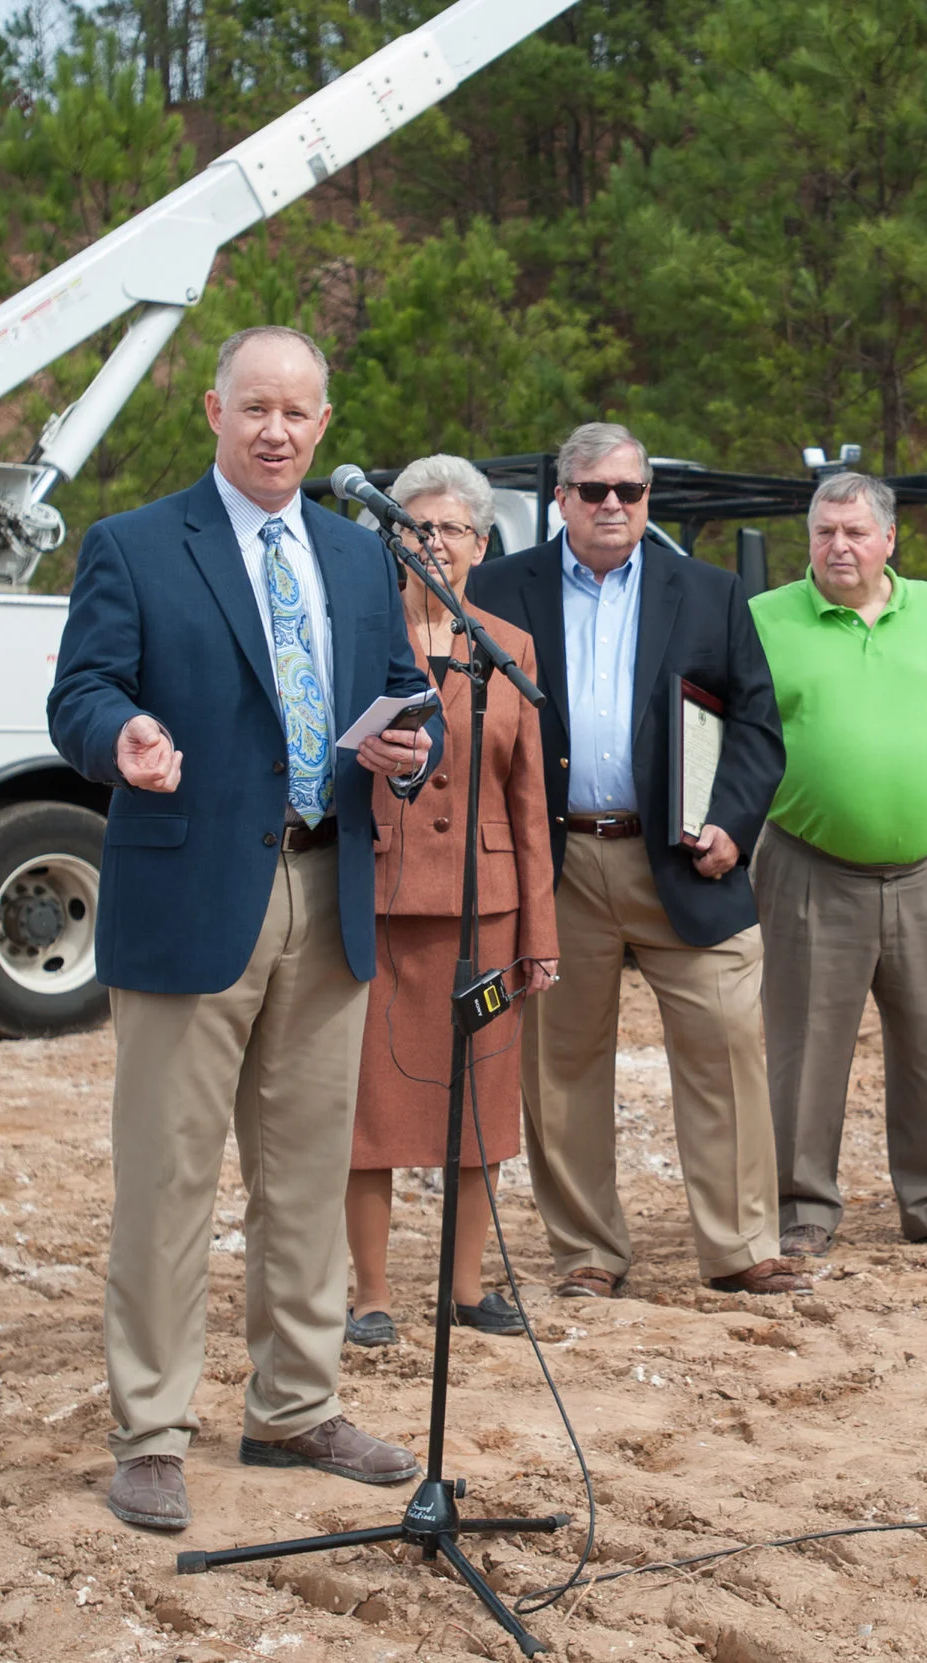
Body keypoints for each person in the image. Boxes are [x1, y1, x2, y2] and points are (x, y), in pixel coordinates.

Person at [47, 325, 437, 1533]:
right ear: (213, 411)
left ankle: (295, 1406)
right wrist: (120, 738)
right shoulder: (133, 545)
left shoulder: (359, 555)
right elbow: (80, 692)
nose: (276, 430)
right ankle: (152, 1431)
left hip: (330, 890)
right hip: (191, 893)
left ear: (325, 427)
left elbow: (395, 698)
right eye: (254, 407)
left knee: (309, 1175)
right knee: (168, 1180)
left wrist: (409, 752)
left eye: (297, 412)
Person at [463, 422, 806, 1297]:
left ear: (648, 497)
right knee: (561, 1064)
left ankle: (741, 1248)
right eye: (594, 491)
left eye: (630, 490)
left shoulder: (710, 591)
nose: (614, 505)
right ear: (561, 499)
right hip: (560, 863)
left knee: (726, 1043)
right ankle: (586, 1252)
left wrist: (734, 822)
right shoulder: (499, 589)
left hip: (690, 862)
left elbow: (758, 724)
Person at [749, 471, 927, 1257]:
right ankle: (801, 1207)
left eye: (856, 532)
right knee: (803, 1045)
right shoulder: (765, 619)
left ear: (889, 539)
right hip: (807, 864)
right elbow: (727, 732)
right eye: (825, 531)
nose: (839, 545)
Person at [345, 455, 559, 1347]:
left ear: (482, 541)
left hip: (490, 909)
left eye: (454, 529)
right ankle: (369, 1296)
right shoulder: (356, 639)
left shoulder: (508, 646)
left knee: (481, 1109)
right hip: (383, 906)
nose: (436, 543)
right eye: (417, 528)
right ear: (393, 540)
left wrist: (541, 931)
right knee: (372, 1117)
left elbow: (528, 800)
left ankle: (467, 1288)